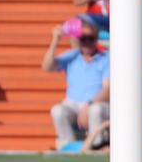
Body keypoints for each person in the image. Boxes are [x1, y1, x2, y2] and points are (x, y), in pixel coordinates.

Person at [44, 16, 109, 149]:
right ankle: (68, 147)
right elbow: (47, 67)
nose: (86, 42)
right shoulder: (73, 55)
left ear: (96, 38)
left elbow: (108, 89)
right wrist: (55, 41)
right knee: (57, 110)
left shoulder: (107, 57)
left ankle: (94, 147)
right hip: (73, 104)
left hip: (98, 103)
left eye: (90, 38)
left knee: (95, 110)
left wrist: (88, 105)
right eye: (83, 39)